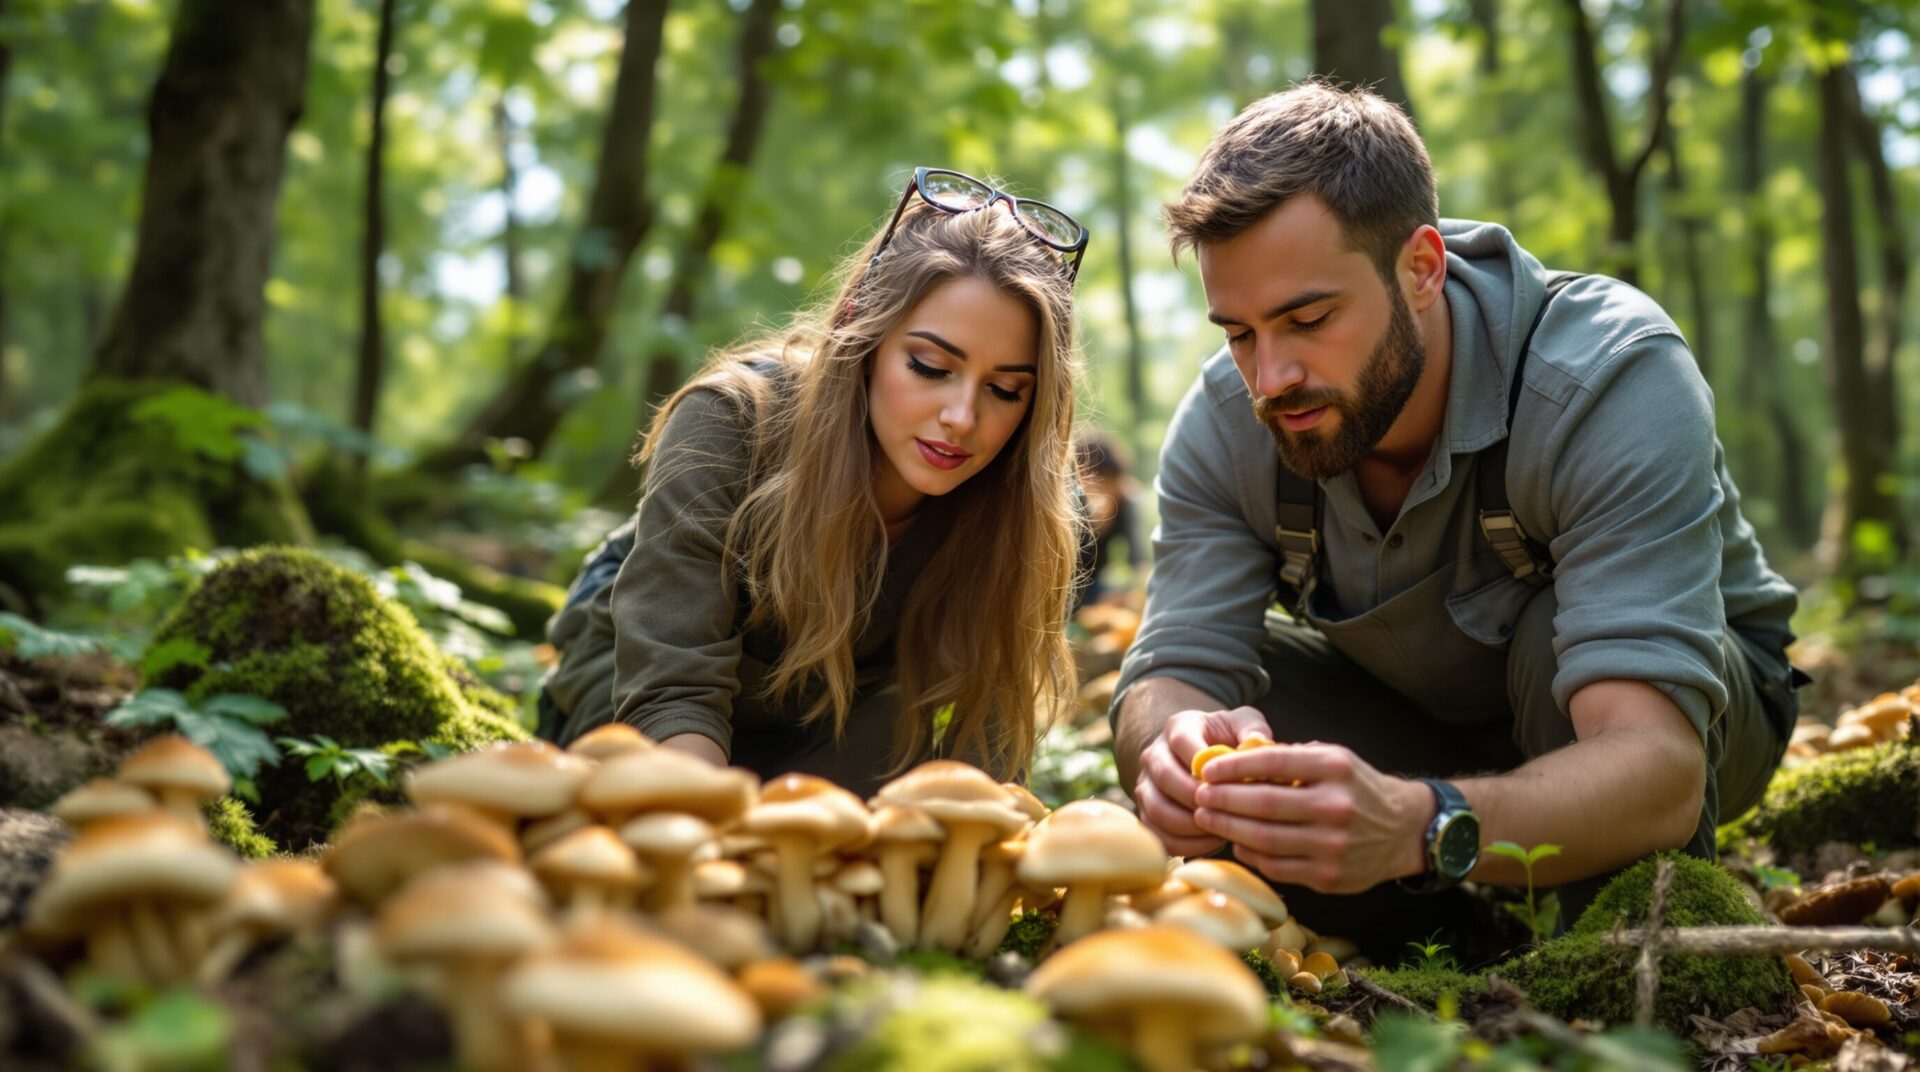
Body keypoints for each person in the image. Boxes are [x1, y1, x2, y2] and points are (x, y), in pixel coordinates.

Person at [1111, 81, 1803, 951]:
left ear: (1423, 269)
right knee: (1232, 709)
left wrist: (1417, 823)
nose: (1271, 376)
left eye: (1309, 317)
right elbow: (1170, 667)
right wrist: (1173, 747)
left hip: (1685, 719)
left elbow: (1659, 768)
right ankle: (1455, 946)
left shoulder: (1606, 378)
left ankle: (1619, 978)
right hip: (1426, 726)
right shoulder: (1224, 424)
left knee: (1557, 634)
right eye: (1239, 333)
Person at [538, 169, 1090, 799]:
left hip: (826, 705)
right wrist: (703, 836)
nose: (963, 418)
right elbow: (671, 685)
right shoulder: (733, 420)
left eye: (1005, 390)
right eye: (930, 367)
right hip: (637, 671)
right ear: (864, 329)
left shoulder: (1029, 504)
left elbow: (987, 748)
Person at [1071, 432, 1144, 610]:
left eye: (1107, 484)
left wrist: (1133, 592)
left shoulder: (1125, 501)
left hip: (1097, 587)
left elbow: (1138, 560)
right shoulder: (1066, 502)